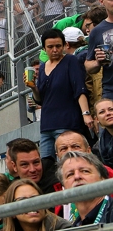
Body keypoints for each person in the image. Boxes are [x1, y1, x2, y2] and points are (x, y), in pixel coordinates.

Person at [27, 28, 92, 158]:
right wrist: (33, 87)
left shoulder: (70, 61)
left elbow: (79, 89)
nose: (55, 50)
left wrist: (86, 114)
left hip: (67, 123)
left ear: (64, 45)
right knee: (46, 164)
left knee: (67, 161)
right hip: (46, 125)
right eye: (50, 47)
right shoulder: (43, 66)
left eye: (58, 46)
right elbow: (40, 100)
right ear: (44, 49)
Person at [0, 179, 72, 231]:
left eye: (35, 198)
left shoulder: (62, 229)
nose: (31, 204)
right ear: (12, 211)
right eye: (22, 200)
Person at [59, 151, 113, 225]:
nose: (77, 176)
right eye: (70, 174)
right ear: (64, 187)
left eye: (85, 171)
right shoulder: (71, 229)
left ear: (103, 179)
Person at [85, 0, 113, 101]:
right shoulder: (97, 31)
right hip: (111, 90)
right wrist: (97, 62)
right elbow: (88, 65)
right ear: (102, 1)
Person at [95, 98, 113, 167]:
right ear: (97, 119)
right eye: (102, 112)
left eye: (111, 109)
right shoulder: (98, 147)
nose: (108, 113)